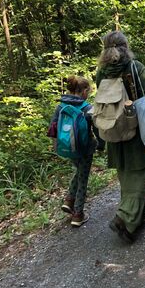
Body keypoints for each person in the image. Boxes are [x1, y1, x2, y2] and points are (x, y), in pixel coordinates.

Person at [96, 31, 145, 243]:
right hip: (135, 127)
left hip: (112, 127)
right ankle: (124, 218)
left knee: (125, 173)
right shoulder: (135, 67)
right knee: (139, 173)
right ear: (126, 46)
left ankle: (137, 217)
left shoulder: (102, 71)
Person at [47, 75, 97, 227]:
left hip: (67, 147)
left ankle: (69, 200)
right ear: (83, 92)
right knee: (83, 178)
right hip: (85, 148)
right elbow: (97, 128)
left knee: (79, 171)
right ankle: (78, 214)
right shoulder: (87, 108)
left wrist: (56, 145)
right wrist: (101, 144)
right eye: (88, 91)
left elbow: (53, 127)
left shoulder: (60, 106)